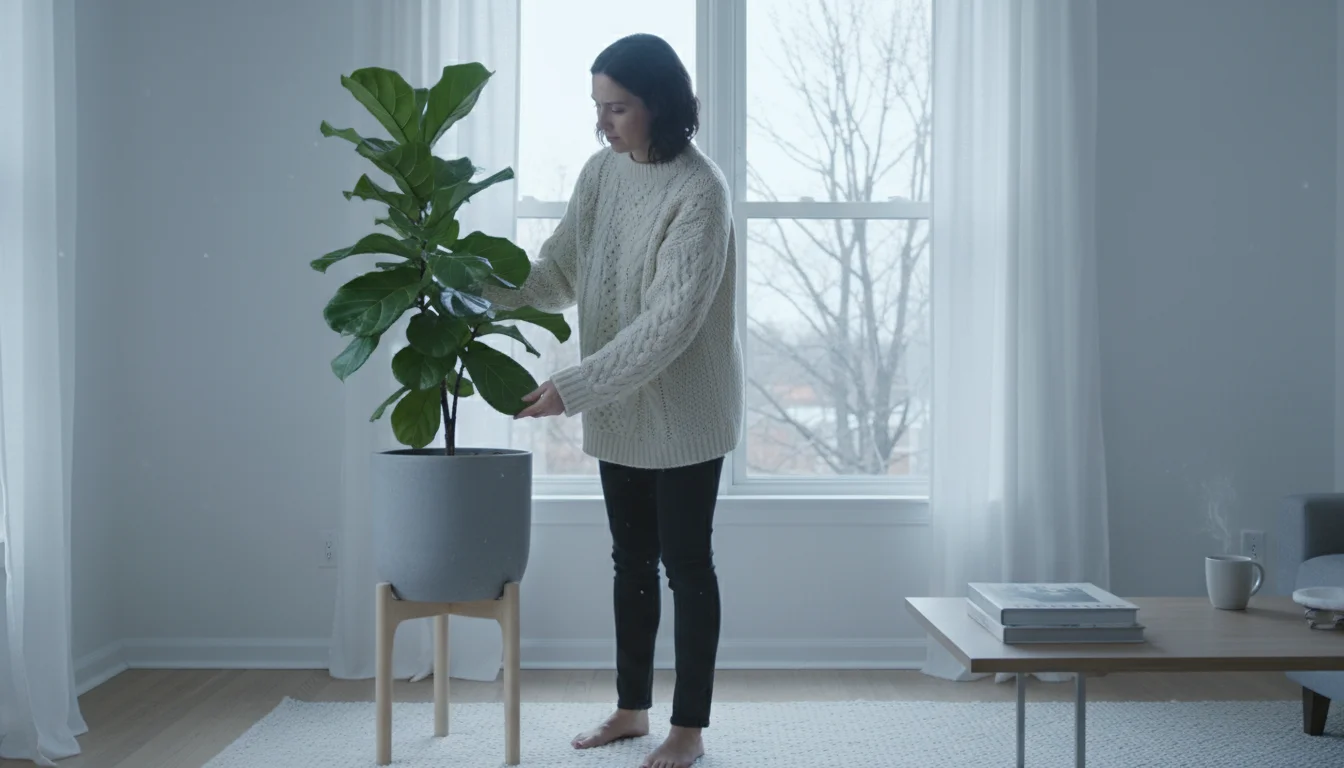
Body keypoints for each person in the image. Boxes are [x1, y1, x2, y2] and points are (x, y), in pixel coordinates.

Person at [483, 32, 742, 768]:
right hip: (620, 411)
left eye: (618, 108)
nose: (604, 123)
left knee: (686, 566)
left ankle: (688, 729)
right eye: (598, 107)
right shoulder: (600, 174)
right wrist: (472, 287)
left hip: (688, 415)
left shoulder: (701, 192)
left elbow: (668, 326)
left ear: (660, 105)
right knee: (631, 563)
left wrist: (571, 386)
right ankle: (631, 710)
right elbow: (556, 274)